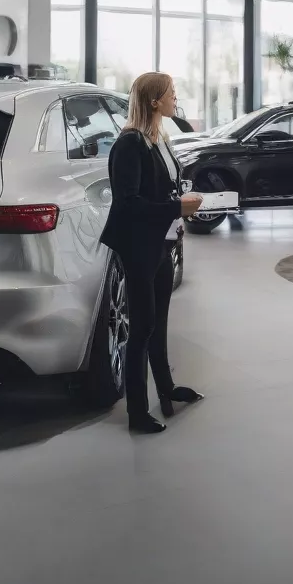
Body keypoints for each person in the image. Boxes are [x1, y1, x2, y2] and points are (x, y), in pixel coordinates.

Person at [100, 72, 205, 434]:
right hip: (139, 245)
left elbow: (163, 190)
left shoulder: (159, 137)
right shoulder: (129, 144)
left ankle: (167, 389)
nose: (176, 97)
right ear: (154, 101)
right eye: (171, 93)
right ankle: (137, 413)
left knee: (158, 323)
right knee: (141, 327)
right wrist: (177, 209)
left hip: (162, 242)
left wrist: (181, 201)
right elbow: (128, 204)